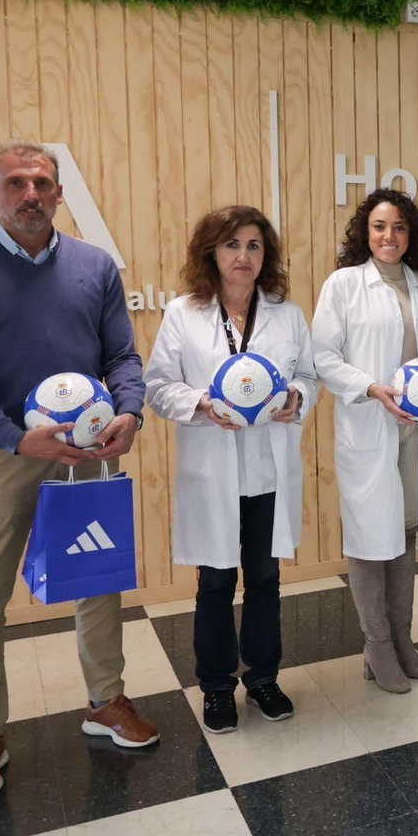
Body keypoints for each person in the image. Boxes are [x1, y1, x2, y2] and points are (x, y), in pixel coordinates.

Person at [0, 141, 156, 803]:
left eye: (42, 182)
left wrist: (130, 412)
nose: (31, 194)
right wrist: (16, 438)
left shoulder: (95, 266)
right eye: (16, 182)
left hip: (88, 452)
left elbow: (122, 356)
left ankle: (105, 700)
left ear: (58, 193)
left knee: (97, 576)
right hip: (6, 453)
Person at [145, 206, 317, 734]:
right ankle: (217, 686)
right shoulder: (183, 313)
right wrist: (201, 403)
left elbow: (309, 376)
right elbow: (157, 386)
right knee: (216, 580)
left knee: (265, 578)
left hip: (268, 469)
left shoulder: (286, 313)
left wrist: (297, 397)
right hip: (212, 469)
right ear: (211, 252)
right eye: (232, 245)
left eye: (254, 246)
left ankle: (263, 678)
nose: (243, 256)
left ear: (267, 255)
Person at [313, 189, 418, 693]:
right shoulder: (344, 284)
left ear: (411, 235)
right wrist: (370, 387)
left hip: (415, 426)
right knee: (371, 535)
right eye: (379, 226)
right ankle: (377, 645)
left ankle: (402, 638)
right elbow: (323, 357)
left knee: (406, 529)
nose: (389, 236)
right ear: (365, 233)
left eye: (399, 227)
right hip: (370, 423)